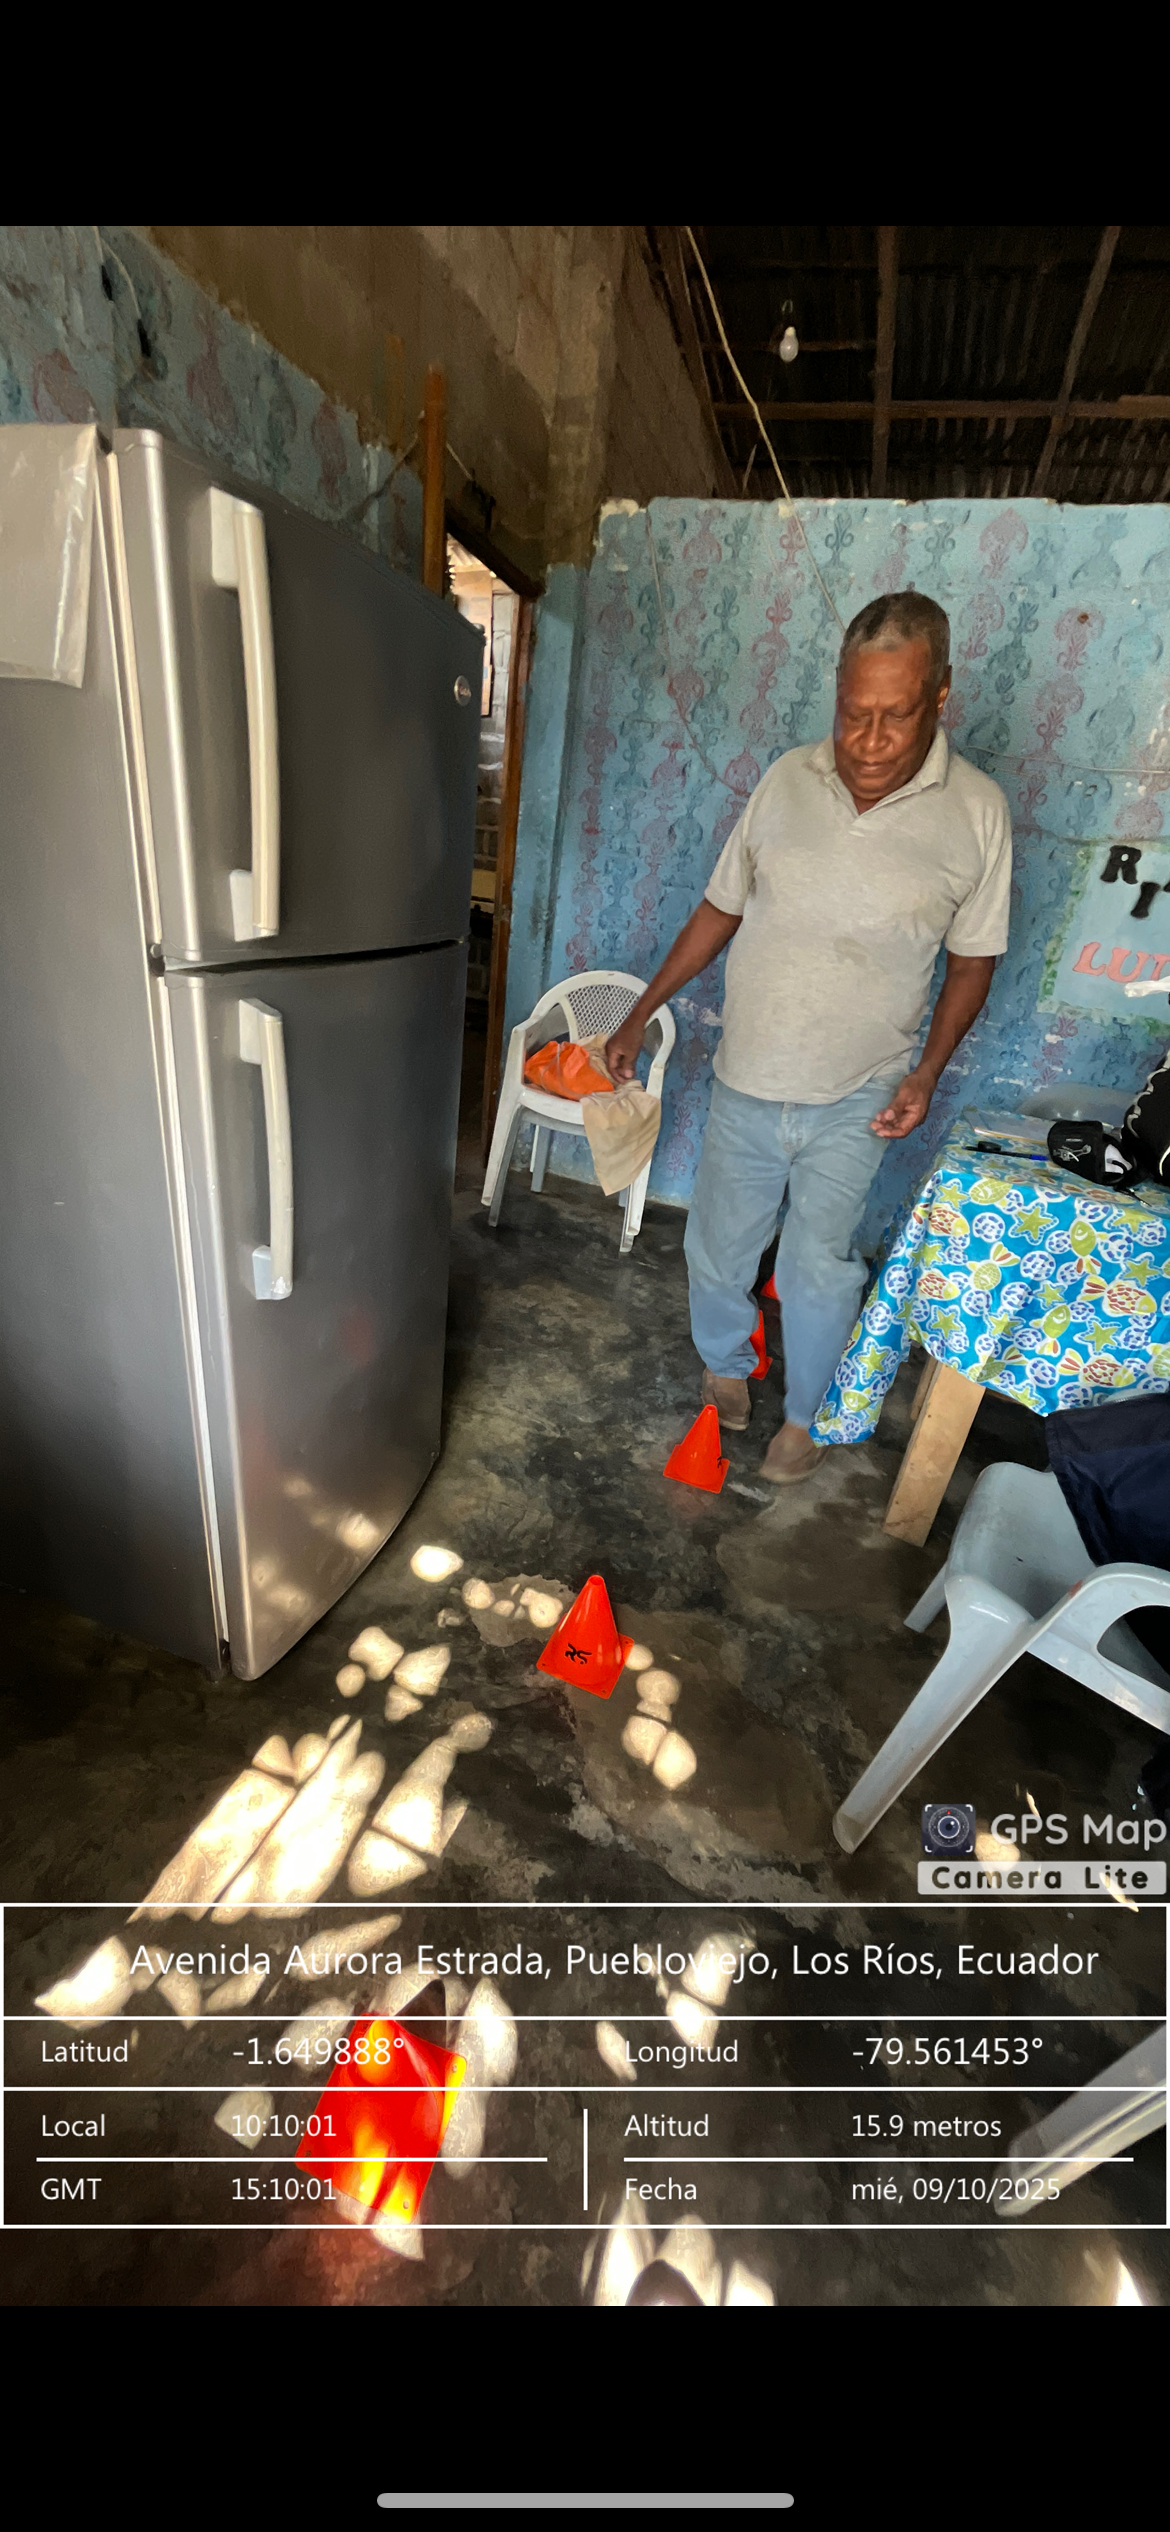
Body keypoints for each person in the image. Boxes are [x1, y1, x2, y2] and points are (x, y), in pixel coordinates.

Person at [604, 591, 1012, 1483]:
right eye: (853, 712)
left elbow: (973, 961)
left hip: (861, 1090)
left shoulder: (978, 811)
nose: (869, 740)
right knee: (717, 1246)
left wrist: (926, 1073)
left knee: (818, 1265)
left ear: (940, 697)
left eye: (895, 715)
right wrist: (641, 1011)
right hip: (748, 1072)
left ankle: (807, 1414)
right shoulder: (788, 778)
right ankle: (725, 1363)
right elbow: (720, 907)